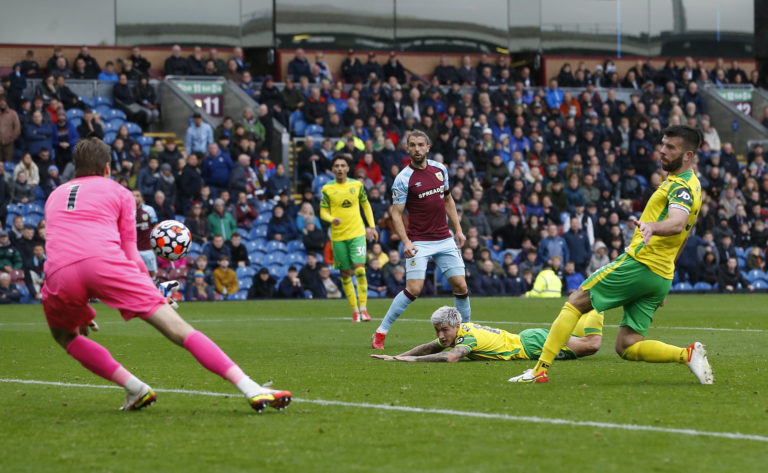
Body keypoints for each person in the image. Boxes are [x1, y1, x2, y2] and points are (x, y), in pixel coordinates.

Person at [41, 138, 290, 412]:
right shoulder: (121, 192)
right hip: (105, 263)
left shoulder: (54, 196)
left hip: (59, 272)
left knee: (65, 336)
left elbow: (67, 247)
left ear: (75, 168)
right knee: (179, 330)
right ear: (108, 168)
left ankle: (135, 388)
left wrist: (79, 304)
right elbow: (131, 251)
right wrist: (153, 289)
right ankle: (250, 388)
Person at [509, 125, 713, 385]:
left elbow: (676, 223)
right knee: (627, 345)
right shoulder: (693, 185)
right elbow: (684, 232)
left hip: (640, 263)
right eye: (662, 144)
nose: (662, 150)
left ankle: (539, 369)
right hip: (660, 274)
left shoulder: (681, 187)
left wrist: (652, 227)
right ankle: (687, 354)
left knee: (576, 301)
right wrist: (668, 276)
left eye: (671, 147)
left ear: (688, 155)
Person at [373, 130, 469, 349]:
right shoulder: (403, 179)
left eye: (420, 145)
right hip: (419, 242)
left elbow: (448, 201)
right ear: (407, 148)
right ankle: (381, 331)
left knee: (461, 285)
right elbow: (396, 213)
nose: (417, 149)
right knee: (414, 289)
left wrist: (459, 230)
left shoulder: (440, 169)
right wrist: (406, 242)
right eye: (412, 145)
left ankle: (466, 332)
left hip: (444, 238)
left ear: (428, 147)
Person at [371, 306, 603, 363]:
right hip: (528, 339)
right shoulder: (462, 329)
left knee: (592, 345)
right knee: (583, 342)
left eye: (444, 330)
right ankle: (586, 315)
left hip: (532, 346)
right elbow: (431, 347)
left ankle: (597, 305)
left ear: (455, 326)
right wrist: (396, 356)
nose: (441, 336)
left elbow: (451, 357)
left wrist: (410, 360)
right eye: (438, 331)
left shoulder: (465, 338)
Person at [320, 155, 379, 322]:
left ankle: (364, 308)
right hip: (338, 237)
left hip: (357, 234)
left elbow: (366, 205)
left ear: (347, 168)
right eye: (336, 166)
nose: (339, 168)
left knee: (359, 269)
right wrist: (332, 219)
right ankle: (354, 310)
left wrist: (372, 226)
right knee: (345, 273)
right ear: (333, 169)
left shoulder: (357, 185)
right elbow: (323, 211)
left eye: (342, 165)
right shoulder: (327, 189)